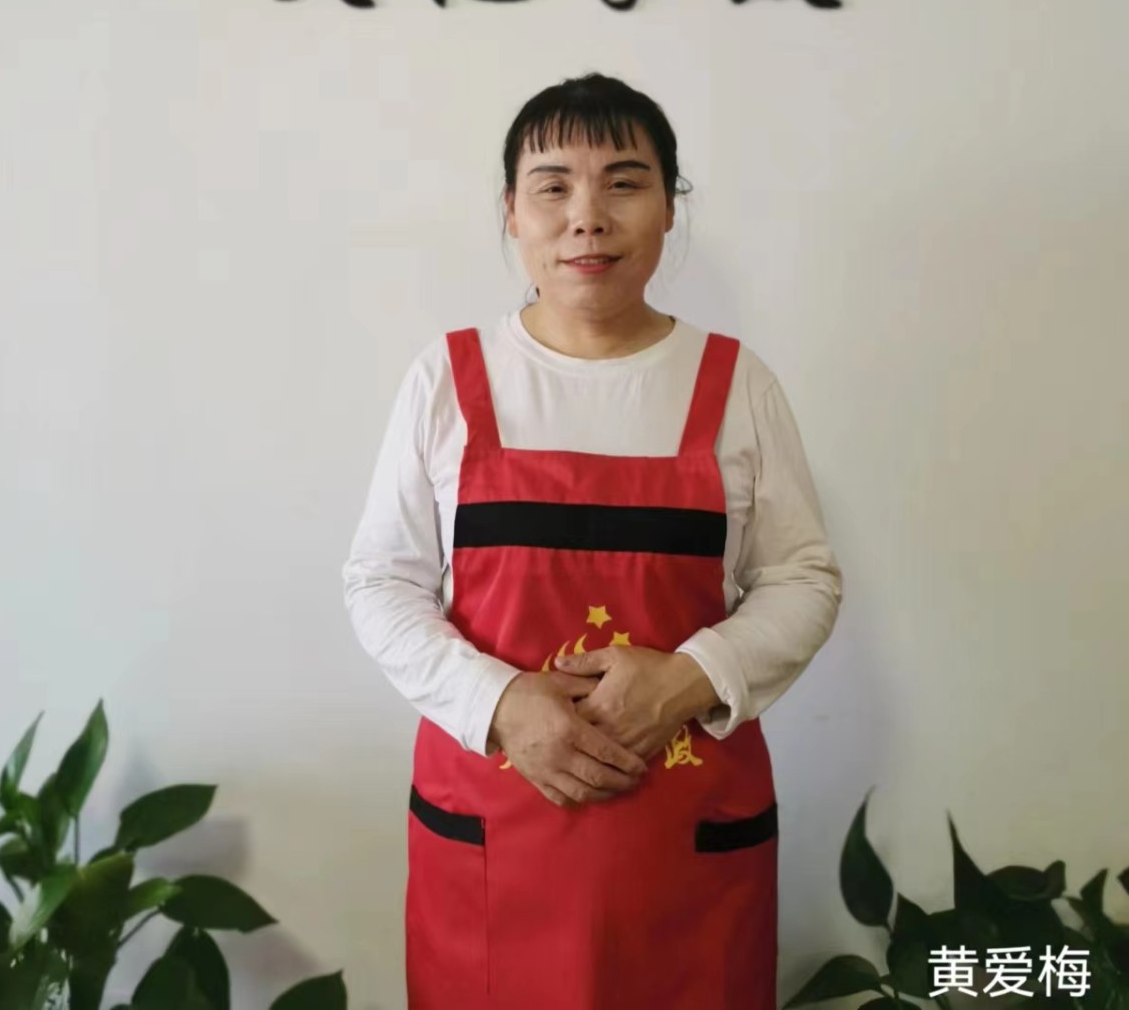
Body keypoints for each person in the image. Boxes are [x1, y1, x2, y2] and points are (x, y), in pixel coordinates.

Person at [343, 71, 843, 1010]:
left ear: (669, 208)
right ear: (510, 212)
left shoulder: (737, 384)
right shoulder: (447, 379)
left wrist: (688, 678)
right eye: (553, 186)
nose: (588, 217)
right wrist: (498, 701)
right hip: (493, 837)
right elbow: (381, 582)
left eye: (624, 182)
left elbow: (802, 577)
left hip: (685, 844)